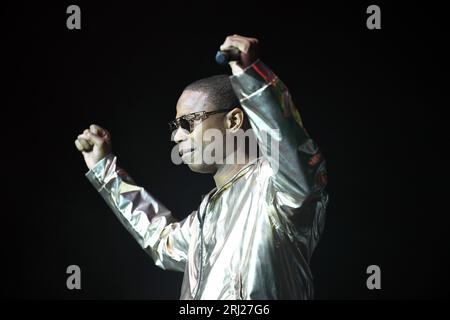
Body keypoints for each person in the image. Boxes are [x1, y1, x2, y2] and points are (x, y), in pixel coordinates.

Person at [75, 35, 328, 300]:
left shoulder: (278, 191)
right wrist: (104, 169)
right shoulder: (205, 217)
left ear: (233, 120)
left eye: (188, 123)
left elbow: (291, 147)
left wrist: (251, 77)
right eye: (175, 127)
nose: (176, 137)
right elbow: (162, 241)